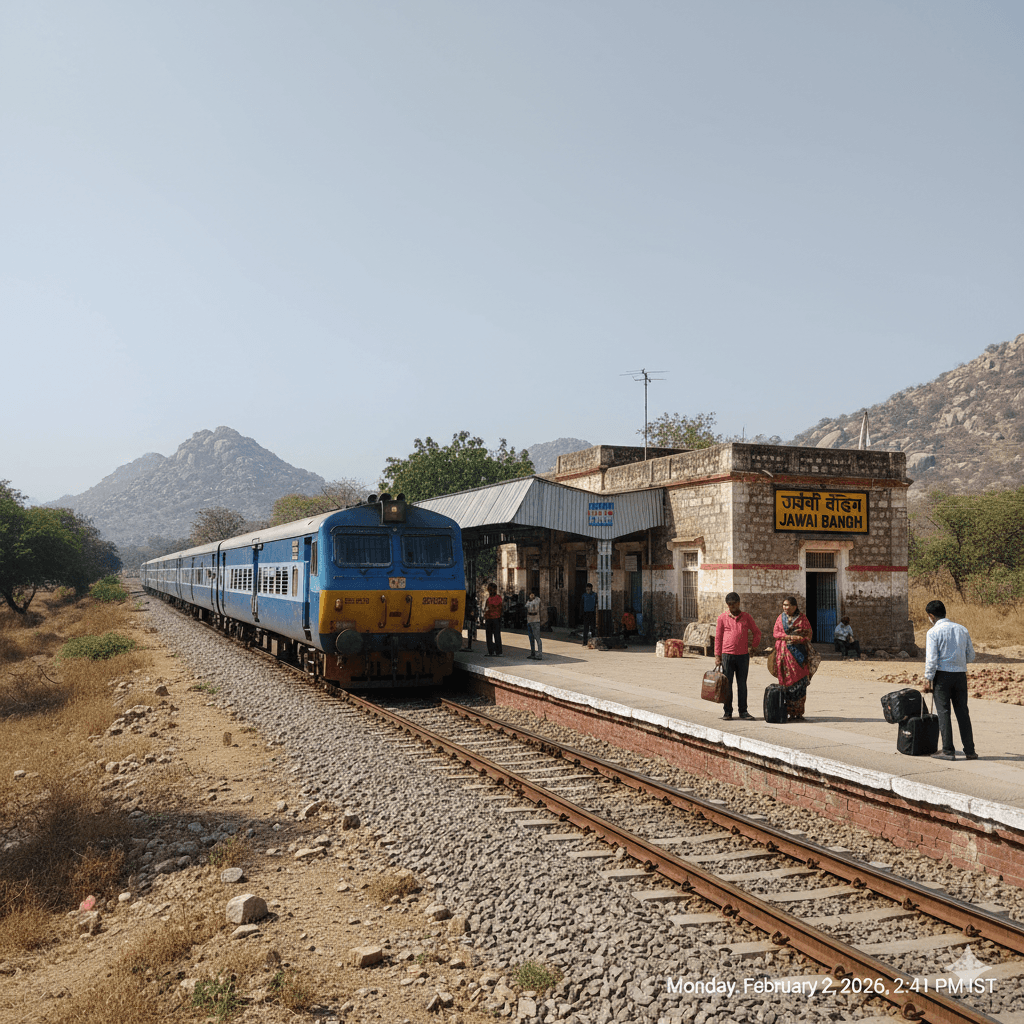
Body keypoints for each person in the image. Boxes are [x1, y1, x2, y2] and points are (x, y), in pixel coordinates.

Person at [922, 600, 977, 761]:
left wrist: (928, 678)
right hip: (960, 675)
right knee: (963, 712)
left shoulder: (933, 632)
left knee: (943, 712)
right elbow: (971, 656)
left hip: (942, 676)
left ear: (931, 616)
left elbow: (931, 659)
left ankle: (948, 750)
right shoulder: (962, 629)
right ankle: (970, 750)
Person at [714, 592, 762, 721]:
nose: (731, 607)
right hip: (727, 656)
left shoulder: (747, 617)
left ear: (739, 603)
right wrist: (717, 655)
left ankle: (743, 711)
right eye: (729, 604)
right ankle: (727, 712)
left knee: (742, 684)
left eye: (734, 604)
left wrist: (753, 647)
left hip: (743, 656)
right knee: (727, 684)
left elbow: (757, 633)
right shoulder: (722, 618)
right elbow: (718, 638)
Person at [772, 595, 813, 721]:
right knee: (786, 683)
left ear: (795, 606)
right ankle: (789, 711)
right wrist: (789, 637)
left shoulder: (802, 618)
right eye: (784, 605)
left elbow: (808, 634)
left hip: (799, 657)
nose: (785, 608)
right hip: (784, 656)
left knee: (800, 683)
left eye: (788, 605)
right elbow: (775, 633)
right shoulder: (780, 618)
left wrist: (800, 639)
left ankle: (799, 713)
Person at [483, 583, 503, 657]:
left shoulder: (498, 598)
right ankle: (490, 651)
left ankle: (499, 652)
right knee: (488, 636)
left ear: (495, 590)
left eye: (491, 590)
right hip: (488, 619)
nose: (490, 591)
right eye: (489, 590)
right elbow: (486, 608)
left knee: (497, 635)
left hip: (495, 619)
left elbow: (497, 607)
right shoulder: (488, 599)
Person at [525, 591, 543, 659]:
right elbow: (526, 606)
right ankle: (533, 653)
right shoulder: (529, 601)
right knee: (531, 638)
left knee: (537, 638)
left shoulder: (537, 600)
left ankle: (539, 654)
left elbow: (533, 609)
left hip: (535, 621)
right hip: (529, 621)